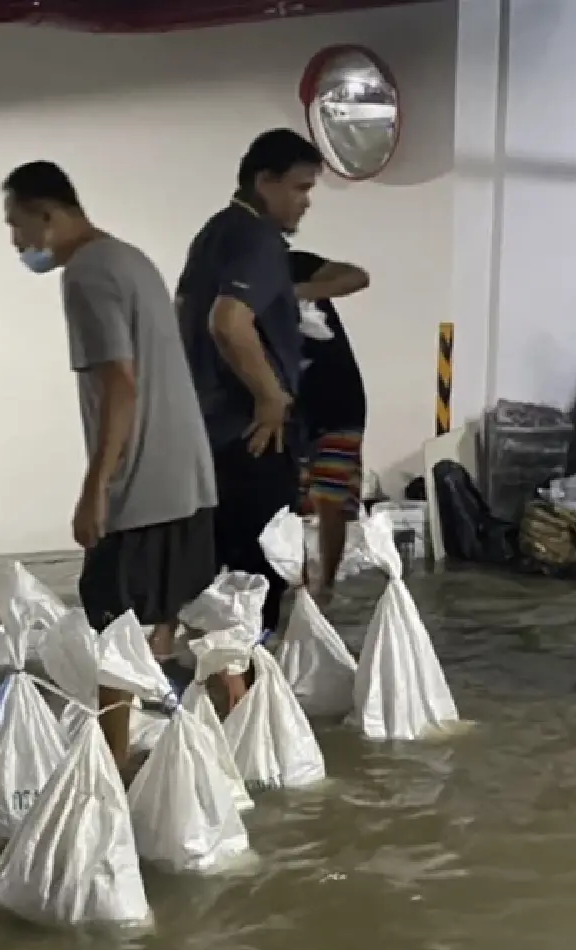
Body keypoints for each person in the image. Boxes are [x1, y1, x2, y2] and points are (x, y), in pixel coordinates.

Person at [2, 161, 219, 764]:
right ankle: (244, 755)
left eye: (17, 226)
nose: (17, 243)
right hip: (188, 477)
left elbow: (120, 384)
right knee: (195, 624)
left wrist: (96, 487)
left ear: (48, 213)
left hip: (143, 486)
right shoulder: (131, 259)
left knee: (109, 636)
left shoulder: (87, 275)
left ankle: (110, 781)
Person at [177, 128, 326, 637]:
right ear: (265, 180)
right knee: (258, 582)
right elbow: (228, 320)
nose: (305, 202)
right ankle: (252, 702)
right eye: (300, 188)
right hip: (253, 438)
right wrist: (269, 395)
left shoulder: (215, 232)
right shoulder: (256, 239)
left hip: (212, 434)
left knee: (220, 579)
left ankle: (220, 697)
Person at [288, 248, 372, 601]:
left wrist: (298, 292)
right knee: (290, 500)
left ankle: (326, 585)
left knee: (330, 497)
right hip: (289, 408)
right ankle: (300, 582)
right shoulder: (234, 289)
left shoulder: (294, 265)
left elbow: (357, 276)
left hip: (339, 401)